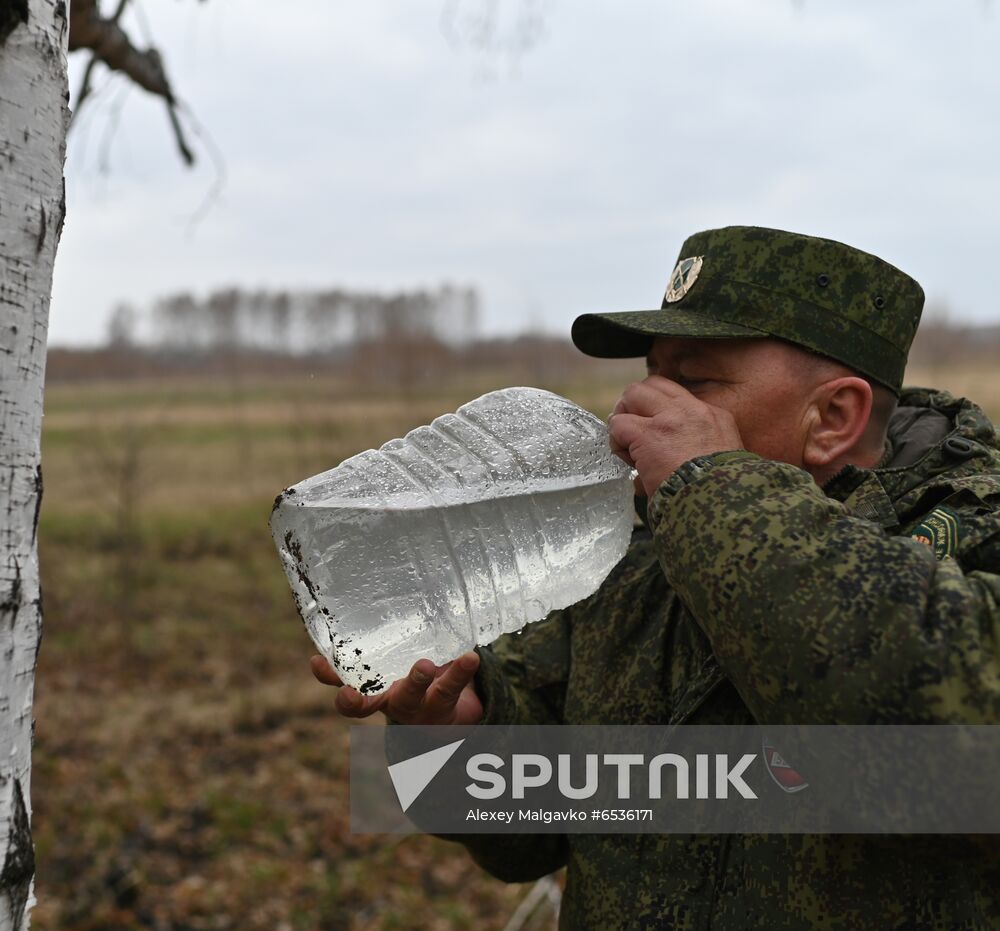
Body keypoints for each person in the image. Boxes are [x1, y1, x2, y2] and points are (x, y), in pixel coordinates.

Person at [310, 226, 1000, 928]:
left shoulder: (978, 538)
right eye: (653, 372)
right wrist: (457, 731)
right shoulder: (633, 555)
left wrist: (711, 490)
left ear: (831, 418)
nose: (636, 408)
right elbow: (526, 835)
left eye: (694, 379)